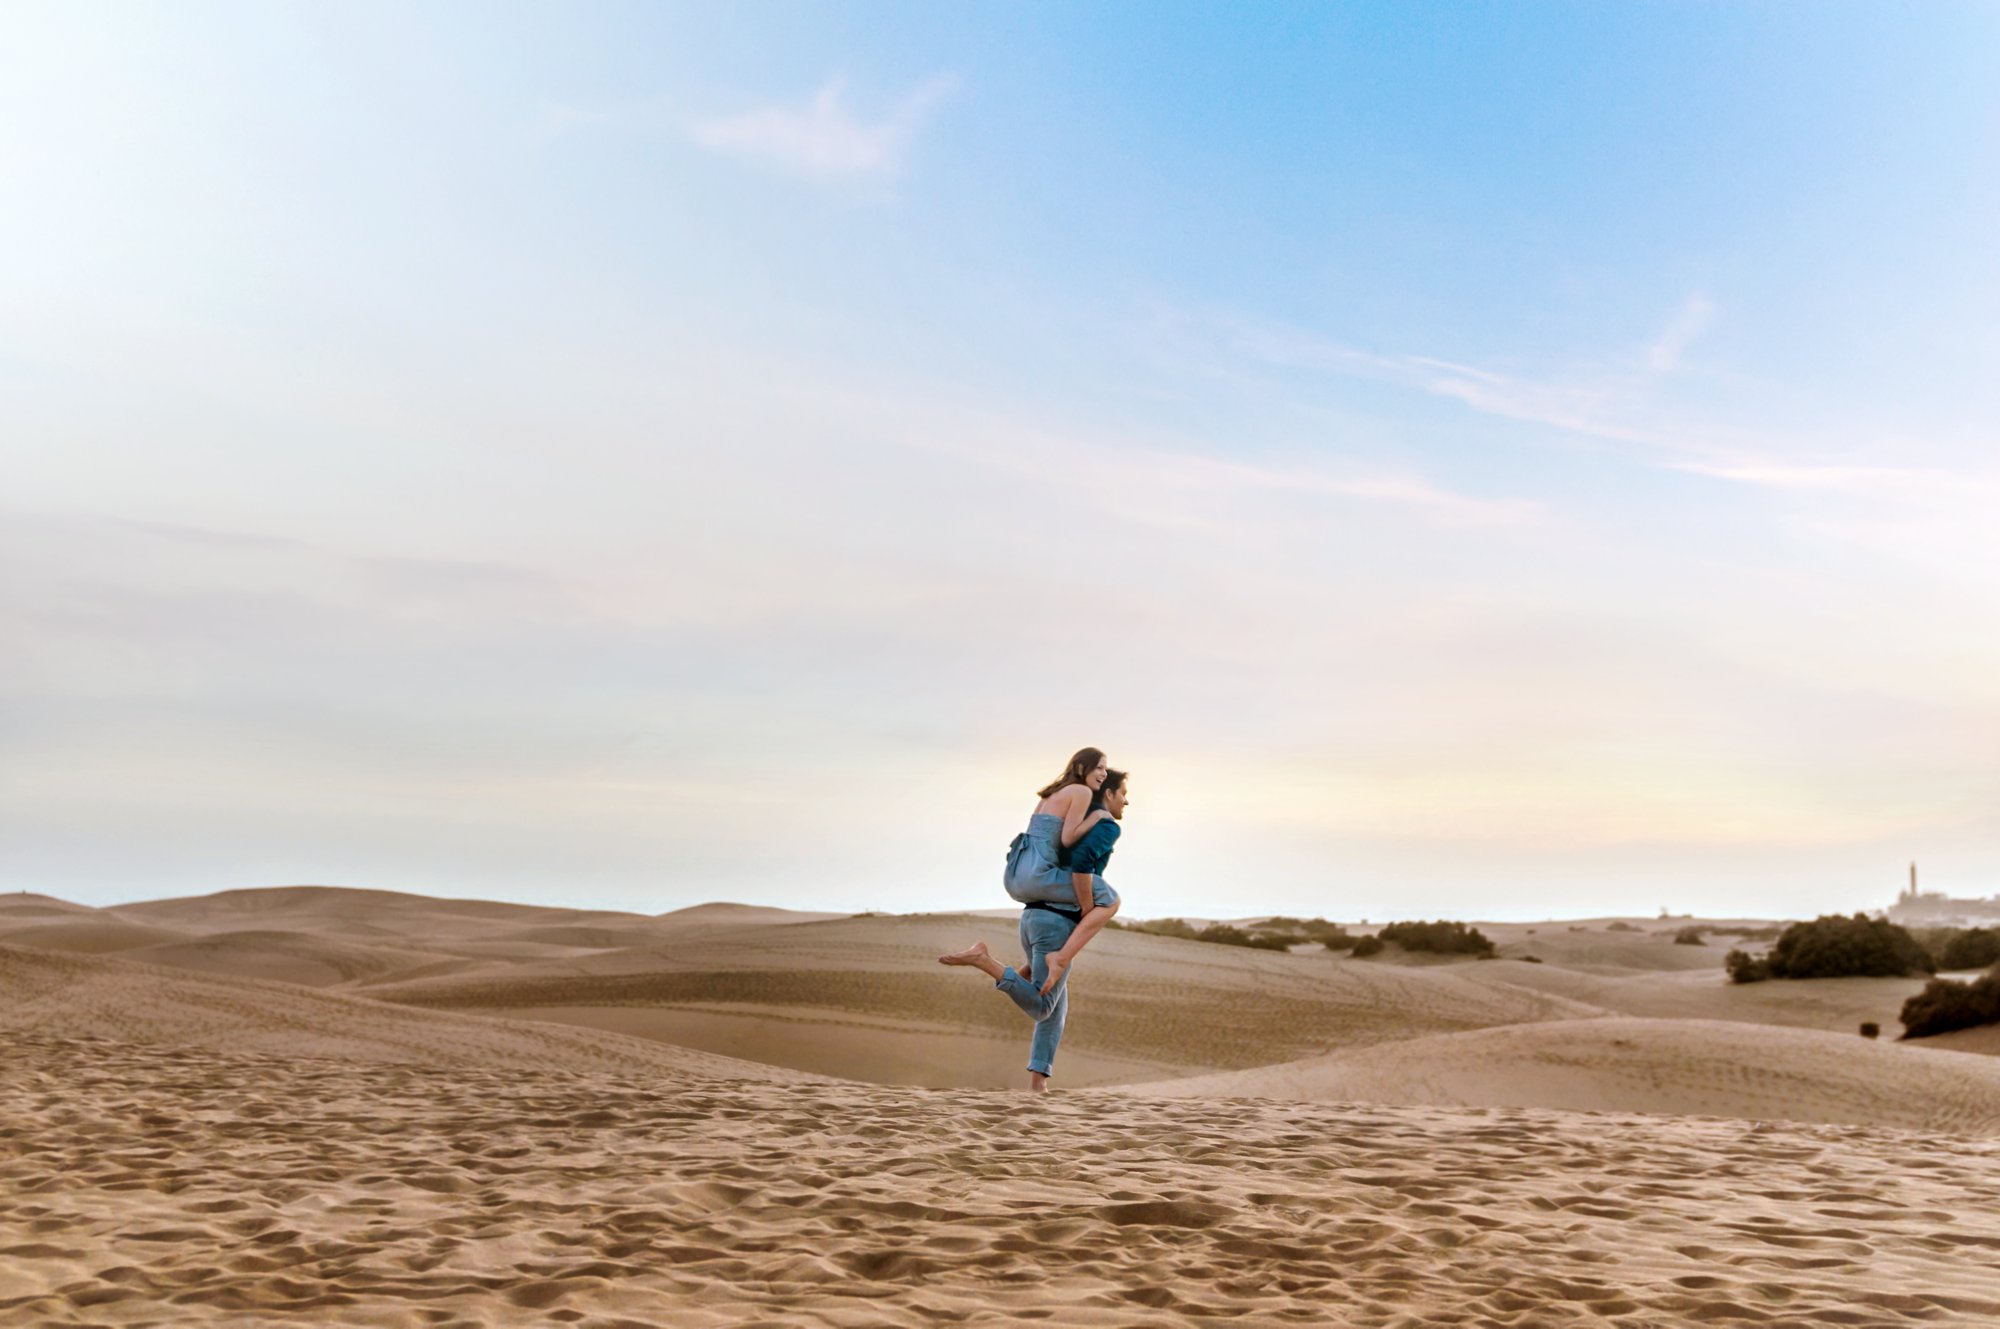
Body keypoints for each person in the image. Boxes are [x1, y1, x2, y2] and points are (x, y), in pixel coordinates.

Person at [940, 754, 1132, 1092]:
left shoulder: (1055, 797)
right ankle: (987, 962)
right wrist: (1087, 908)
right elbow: (1081, 863)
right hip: (1053, 920)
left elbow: (1060, 844)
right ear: (1106, 790)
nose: (1126, 800)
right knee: (1045, 1006)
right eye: (1122, 792)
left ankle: (1037, 1083)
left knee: (1058, 1006)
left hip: (1030, 909)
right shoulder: (1100, 818)